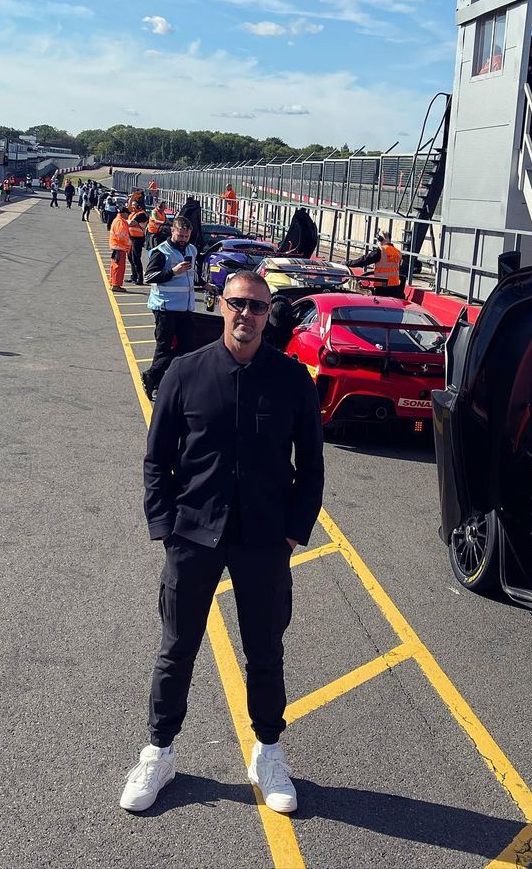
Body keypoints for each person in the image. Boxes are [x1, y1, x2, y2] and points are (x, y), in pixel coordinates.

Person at [120, 270, 324, 815]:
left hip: (264, 539)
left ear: (267, 315)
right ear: (220, 305)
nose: (245, 314)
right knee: (176, 648)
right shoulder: (185, 373)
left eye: (257, 307)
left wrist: (293, 531)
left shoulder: (291, 380)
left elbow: (312, 465)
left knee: (265, 651)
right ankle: (159, 752)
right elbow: (157, 459)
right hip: (193, 534)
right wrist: (164, 527)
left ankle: (268, 752)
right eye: (237, 303)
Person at [140, 217, 197, 401]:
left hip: (184, 307)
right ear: (172, 231)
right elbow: (148, 277)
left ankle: (159, 377)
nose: (183, 239)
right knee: (164, 347)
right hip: (165, 307)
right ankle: (154, 382)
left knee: (187, 346)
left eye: (186, 236)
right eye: (180, 235)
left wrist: (205, 284)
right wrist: (173, 271)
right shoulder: (161, 251)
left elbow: (192, 275)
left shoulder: (192, 249)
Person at [347, 230, 404, 298]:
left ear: (380, 239)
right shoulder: (398, 252)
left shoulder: (380, 251)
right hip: (395, 286)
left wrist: (349, 263)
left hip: (382, 287)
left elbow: (364, 260)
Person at [109, 202, 132, 293]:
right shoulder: (120, 222)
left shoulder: (118, 220)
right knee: (119, 268)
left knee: (115, 267)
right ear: (123, 213)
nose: (128, 216)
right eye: (127, 214)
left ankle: (113, 283)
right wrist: (129, 242)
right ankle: (116, 285)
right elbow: (121, 235)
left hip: (117, 247)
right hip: (119, 247)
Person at [127, 199, 148, 285]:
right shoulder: (133, 214)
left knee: (136, 258)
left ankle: (140, 278)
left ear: (139, 206)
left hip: (137, 239)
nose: (132, 207)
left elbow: (131, 223)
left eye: (134, 205)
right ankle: (134, 276)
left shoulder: (142, 215)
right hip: (131, 238)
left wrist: (125, 222)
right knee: (130, 257)